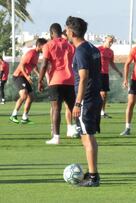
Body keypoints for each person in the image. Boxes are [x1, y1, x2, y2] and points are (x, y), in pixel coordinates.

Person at [66, 16, 102, 187]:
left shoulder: (80, 51)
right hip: (94, 97)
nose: (66, 32)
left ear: (72, 32)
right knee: (87, 137)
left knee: (88, 139)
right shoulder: (92, 48)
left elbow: (83, 77)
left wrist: (78, 103)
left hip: (86, 100)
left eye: (67, 30)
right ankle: (91, 172)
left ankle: (93, 177)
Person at [38, 23, 76, 145]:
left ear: (51, 33)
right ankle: (85, 131)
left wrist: (40, 80)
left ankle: (56, 137)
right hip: (70, 80)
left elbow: (44, 64)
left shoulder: (48, 45)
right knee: (74, 109)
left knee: (56, 109)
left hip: (56, 80)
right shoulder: (70, 45)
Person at [9, 38, 47, 124]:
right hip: (18, 76)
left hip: (25, 77)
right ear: (39, 46)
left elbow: (34, 66)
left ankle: (24, 117)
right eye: (44, 47)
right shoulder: (31, 53)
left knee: (31, 97)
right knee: (24, 95)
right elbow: (22, 65)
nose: (45, 48)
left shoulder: (37, 55)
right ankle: (13, 115)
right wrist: (27, 76)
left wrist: (39, 75)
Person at [98, 35, 123, 118]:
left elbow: (111, 63)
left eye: (112, 42)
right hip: (98, 73)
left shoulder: (111, 52)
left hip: (105, 74)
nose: (111, 43)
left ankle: (102, 112)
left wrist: (118, 71)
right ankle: (96, 111)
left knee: (104, 94)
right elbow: (92, 60)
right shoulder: (98, 49)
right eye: (109, 41)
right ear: (105, 40)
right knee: (100, 93)